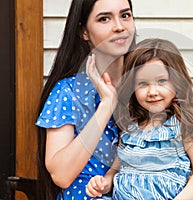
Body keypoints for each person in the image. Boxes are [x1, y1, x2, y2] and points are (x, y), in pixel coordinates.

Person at [85, 38, 193, 199]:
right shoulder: (130, 128)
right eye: (143, 83)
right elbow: (116, 169)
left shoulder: (184, 126)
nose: (152, 91)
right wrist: (104, 183)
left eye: (161, 81)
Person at [36, 0, 135, 199]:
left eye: (125, 15)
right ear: (84, 32)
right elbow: (61, 175)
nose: (119, 26)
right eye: (104, 18)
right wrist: (106, 106)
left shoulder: (148, 86)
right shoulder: (68, 92)